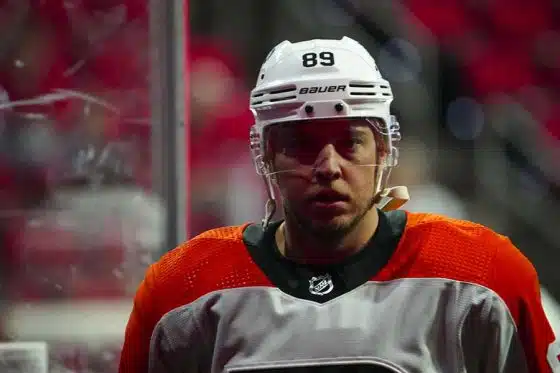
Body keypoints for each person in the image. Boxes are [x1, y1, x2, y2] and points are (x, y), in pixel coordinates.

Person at [118, 37, 559, 373]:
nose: (328, 166)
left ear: (384, 150)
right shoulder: (183, 290)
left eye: (350, 140)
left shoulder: (484, 278)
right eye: (302, 143)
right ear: (265, 155)